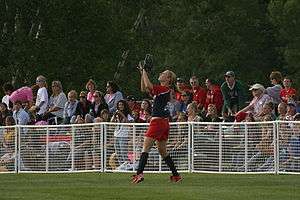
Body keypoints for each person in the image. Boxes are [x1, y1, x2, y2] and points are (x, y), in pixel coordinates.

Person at [131, 65, 182, 183]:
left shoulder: (163, 89)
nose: (160, 74)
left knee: (145, 148)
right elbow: (144, 88)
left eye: (163, 73)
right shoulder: (164, 90)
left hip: (158, 122)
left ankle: (139, 174)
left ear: (168, 79)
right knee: (162, 151)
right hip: (164, 122)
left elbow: (148, 86)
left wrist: (144, 72)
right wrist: (142, 73)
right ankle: (176, 175)